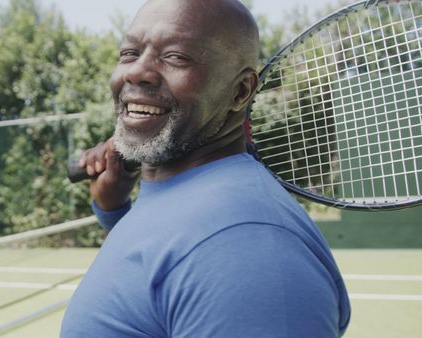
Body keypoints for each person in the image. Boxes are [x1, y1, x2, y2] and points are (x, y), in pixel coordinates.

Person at [60, 0, 351, 337]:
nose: (136, 71)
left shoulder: (247, 246)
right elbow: (154, 281)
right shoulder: (184, 199)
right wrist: (113, 211)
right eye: (129, 53)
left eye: (176, 57)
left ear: (240, 92)